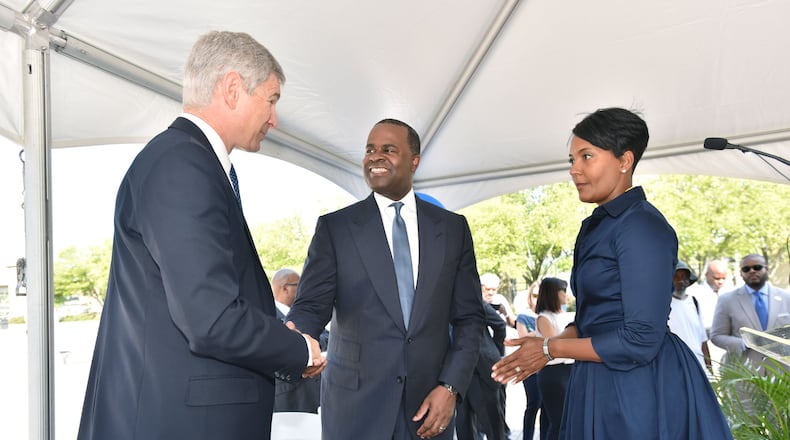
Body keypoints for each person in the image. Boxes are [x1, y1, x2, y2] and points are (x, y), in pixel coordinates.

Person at [77, 31, 323, 440]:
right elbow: (211, 316)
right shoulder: (182, 164)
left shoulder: (189, 162)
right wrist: (297, 349)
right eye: (272, 99)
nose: (275, 120)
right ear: (231, 89)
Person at [492, 107, 732, 439]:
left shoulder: (641, 226)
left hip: (640, 385)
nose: (574, 169)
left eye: (586, 157)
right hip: (597, 378)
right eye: (571, 160)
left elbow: (641, 339)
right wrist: (547, 344)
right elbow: (593, 318)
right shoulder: (594, 226)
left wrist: (550, 350)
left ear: (624, 160)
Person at [286, 118, 485, 439]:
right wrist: (296, 343)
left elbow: (470, 319)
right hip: (354, 411)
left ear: (414, 161)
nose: (375, 157)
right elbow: (310, 307)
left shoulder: (452, 229)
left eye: (388, 149)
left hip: (429, 410)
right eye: (369, 150)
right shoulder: (335, 229)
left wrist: (451, 387)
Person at [710, 253, 790, 372]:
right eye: (746, 269)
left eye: (757, 267)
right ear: (741, 273)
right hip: (745, 375)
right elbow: (717, 336)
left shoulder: (786, 297)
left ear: (766, 269)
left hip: (781, 374)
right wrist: (746, 343)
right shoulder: (727, 300)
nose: (752, 271)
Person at [271, 269, 328, 414]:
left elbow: (327, 336)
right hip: (287, 399)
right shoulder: (268, 315)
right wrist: (308, 344)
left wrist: (310, 344)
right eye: (300, 284)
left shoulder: (307, 316)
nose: (304, 289)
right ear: (285, 288)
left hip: (312, 395)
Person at [455, 294, 507, 440]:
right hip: (456, 373)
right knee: (463, 425)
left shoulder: (475, 301)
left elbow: (500, 325)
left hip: (482, 370)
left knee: (493, 426)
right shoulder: (439, 302)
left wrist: (495, 351)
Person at [532, 278, 574, 440]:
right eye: (562, 290)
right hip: (554, 372)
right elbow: (555, 345)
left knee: (564, 419)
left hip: (567, 369)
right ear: (553, 293)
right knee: (559, 421)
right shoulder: (544, 318)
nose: (565, 294)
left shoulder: (564, 315)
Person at [668, 261, 713, 376]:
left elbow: (703, 340)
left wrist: (709, 367)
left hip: (699, 366)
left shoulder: (694, 302)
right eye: (676, 277)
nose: (680, 281)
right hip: (676, 368)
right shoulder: (664, 305)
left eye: (684, 277)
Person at [515, 281, 547, 440]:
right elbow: (523, 339)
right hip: (529, 368)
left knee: (546, 408)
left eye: (540, 295)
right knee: (533, 404)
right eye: (534, 295)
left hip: (547, 368)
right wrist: (541, 331)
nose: (537, 299)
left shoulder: (551, 314)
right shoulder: (523, 316)